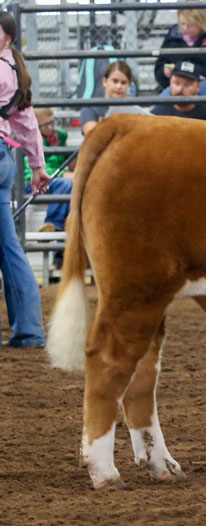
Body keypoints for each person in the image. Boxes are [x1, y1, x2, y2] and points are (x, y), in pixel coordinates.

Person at [0, 11, 49, 348]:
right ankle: (29, 330)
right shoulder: (15, 71)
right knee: (8, 247)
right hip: (4, 158)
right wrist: (37, 166)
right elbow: (28, 123)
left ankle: (30, 330)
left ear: (7, 37)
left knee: (8, 247)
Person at [154, 7, 206, 96]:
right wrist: (165, 72)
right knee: (175, 92)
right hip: (177, 84)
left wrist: (194, 70)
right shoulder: (174, 35)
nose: (185, 28)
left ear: (201, 22)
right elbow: (160, 66)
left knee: (186, 91)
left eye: (190, 25)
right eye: (182, 24)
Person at [24, 108, 74, 238]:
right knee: (66, 184)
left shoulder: (60, 136)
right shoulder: (30, 139)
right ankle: (52, 223)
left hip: (56, 182)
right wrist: (62, 174)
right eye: (45, 125)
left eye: (52, 122)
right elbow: (30, 169)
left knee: (71, 186)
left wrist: (73, 158)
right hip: (34, 182)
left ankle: (60, 250)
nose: (51, 127)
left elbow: (68, 161)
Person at [151, 61, 206, 125]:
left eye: (187, 85)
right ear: (170, 83)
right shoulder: (160, 111)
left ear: (198, 86)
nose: (180, 89)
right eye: (176, 83)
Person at [80, 61, 132, 136]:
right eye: (115, 81)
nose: (119, 87)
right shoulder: (90, 108)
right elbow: (93, 137)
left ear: (129, 85)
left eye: (123, 83)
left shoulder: (133, 110)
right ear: (105, 81)